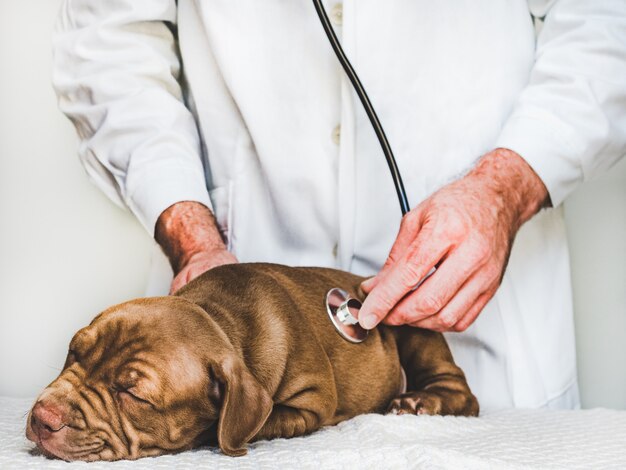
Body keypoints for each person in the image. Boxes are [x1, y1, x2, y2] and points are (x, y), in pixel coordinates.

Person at [52, 0, 626, 412]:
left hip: (494, 343)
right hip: (236, 347)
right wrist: (190, 234)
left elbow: (605, 20)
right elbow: (109, 45)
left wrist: (506, 189)